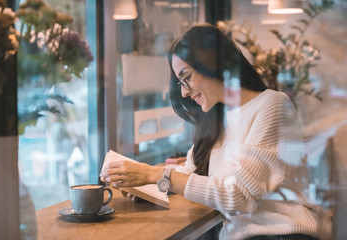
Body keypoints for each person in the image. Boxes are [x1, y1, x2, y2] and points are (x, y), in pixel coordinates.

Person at [100, 23, 332, 240]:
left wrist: (155, 176)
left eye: (186, 77)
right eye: (180, 83)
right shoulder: (217, 119)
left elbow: (237, 195)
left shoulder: (272, 105)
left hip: (284, 232)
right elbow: (189, 171)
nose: (183, 93)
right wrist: (144, 185)